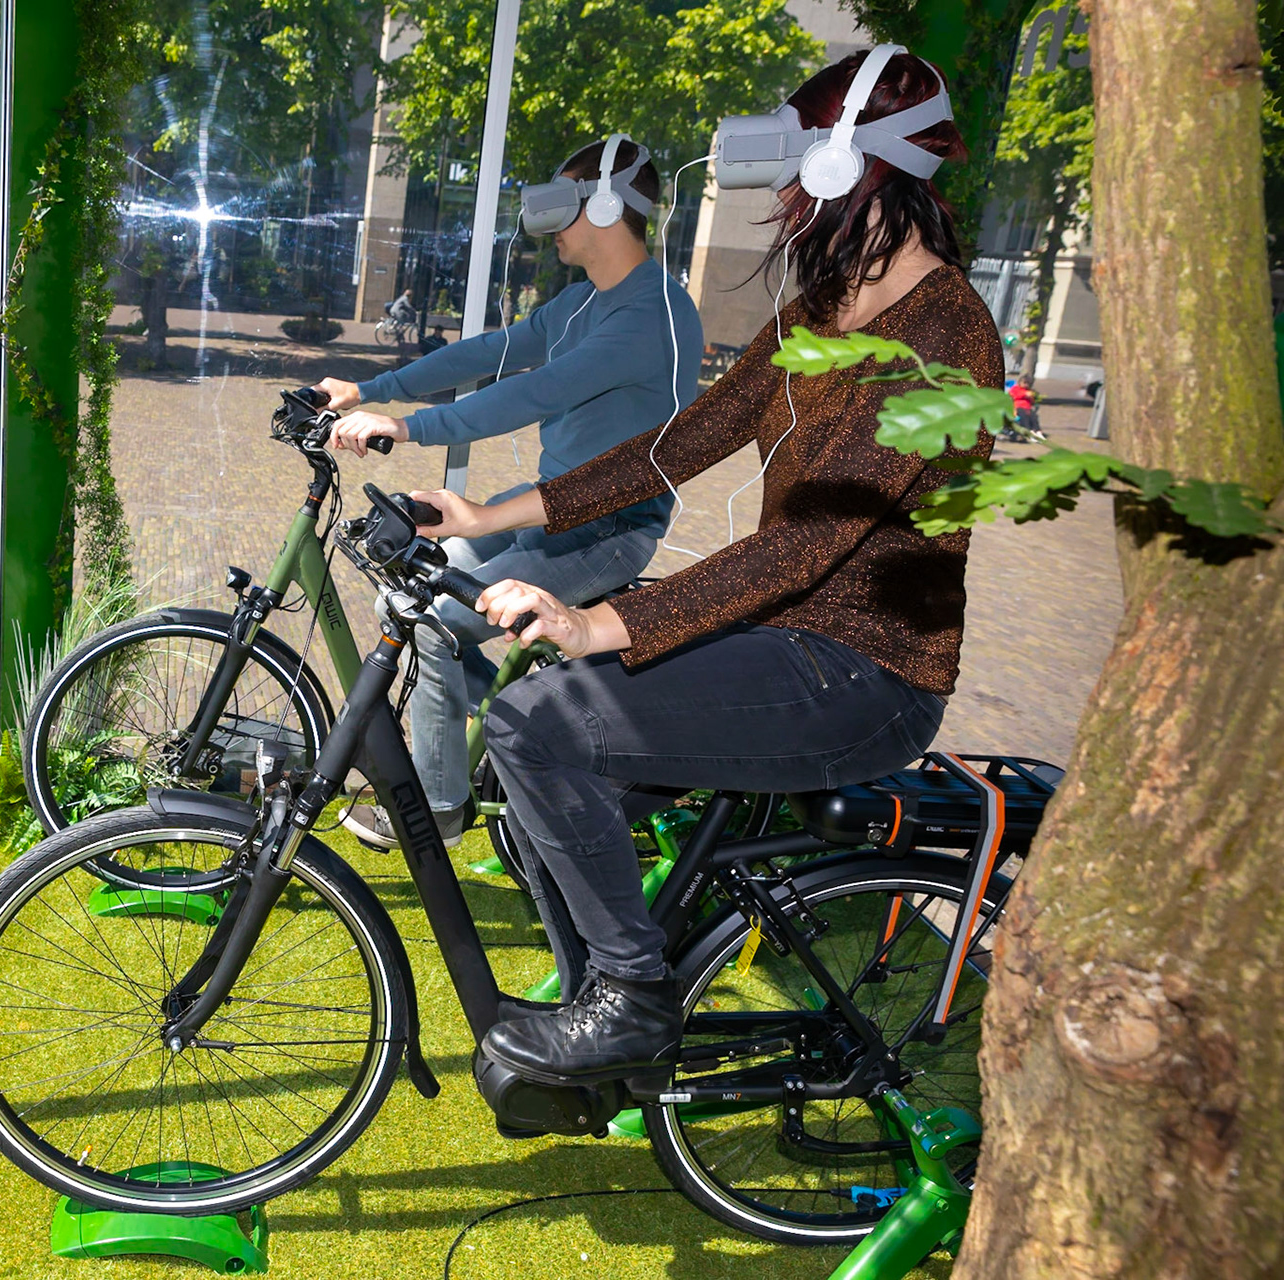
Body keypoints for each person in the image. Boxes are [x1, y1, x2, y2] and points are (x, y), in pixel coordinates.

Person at [411, 51, 1000, 1090]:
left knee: (531, 723)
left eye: (791, 165)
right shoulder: (827, 309)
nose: (779, 195)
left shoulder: (946, 334)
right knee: (537, 776)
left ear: (847, 166)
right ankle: (611, 1002)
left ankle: (628, 1000)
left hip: (868, 672)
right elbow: (670, 447)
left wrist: (611, 622)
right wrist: (485, 510)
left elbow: (807, 542)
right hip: (789, 641)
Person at [313, 136, 702, 851]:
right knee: (399, 597)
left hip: (607, 529)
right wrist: (367, 389)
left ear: (608, 207)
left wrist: (403, 426)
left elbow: (532, 393)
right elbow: (488, 354)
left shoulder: (651, 316)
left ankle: (437, 807)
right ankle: (516, 718)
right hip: (551, 506)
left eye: (562, 204)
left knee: (430, 622)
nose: (548, 223)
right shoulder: (585, 302)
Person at [1005, 373, 1043, 441]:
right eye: (1024, 383)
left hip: (1027, 408)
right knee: (1024, 417)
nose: (1026, 385)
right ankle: (1028, 432)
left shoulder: (1029, 391)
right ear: (1020, 382)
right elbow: (1013, 396)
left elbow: (1032, 402)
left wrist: (1031, 397)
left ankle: (1037, 431)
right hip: (1018, 407)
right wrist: (1024, 394)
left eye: (1028, 383)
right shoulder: (1015, 389)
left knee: (1033, 417)